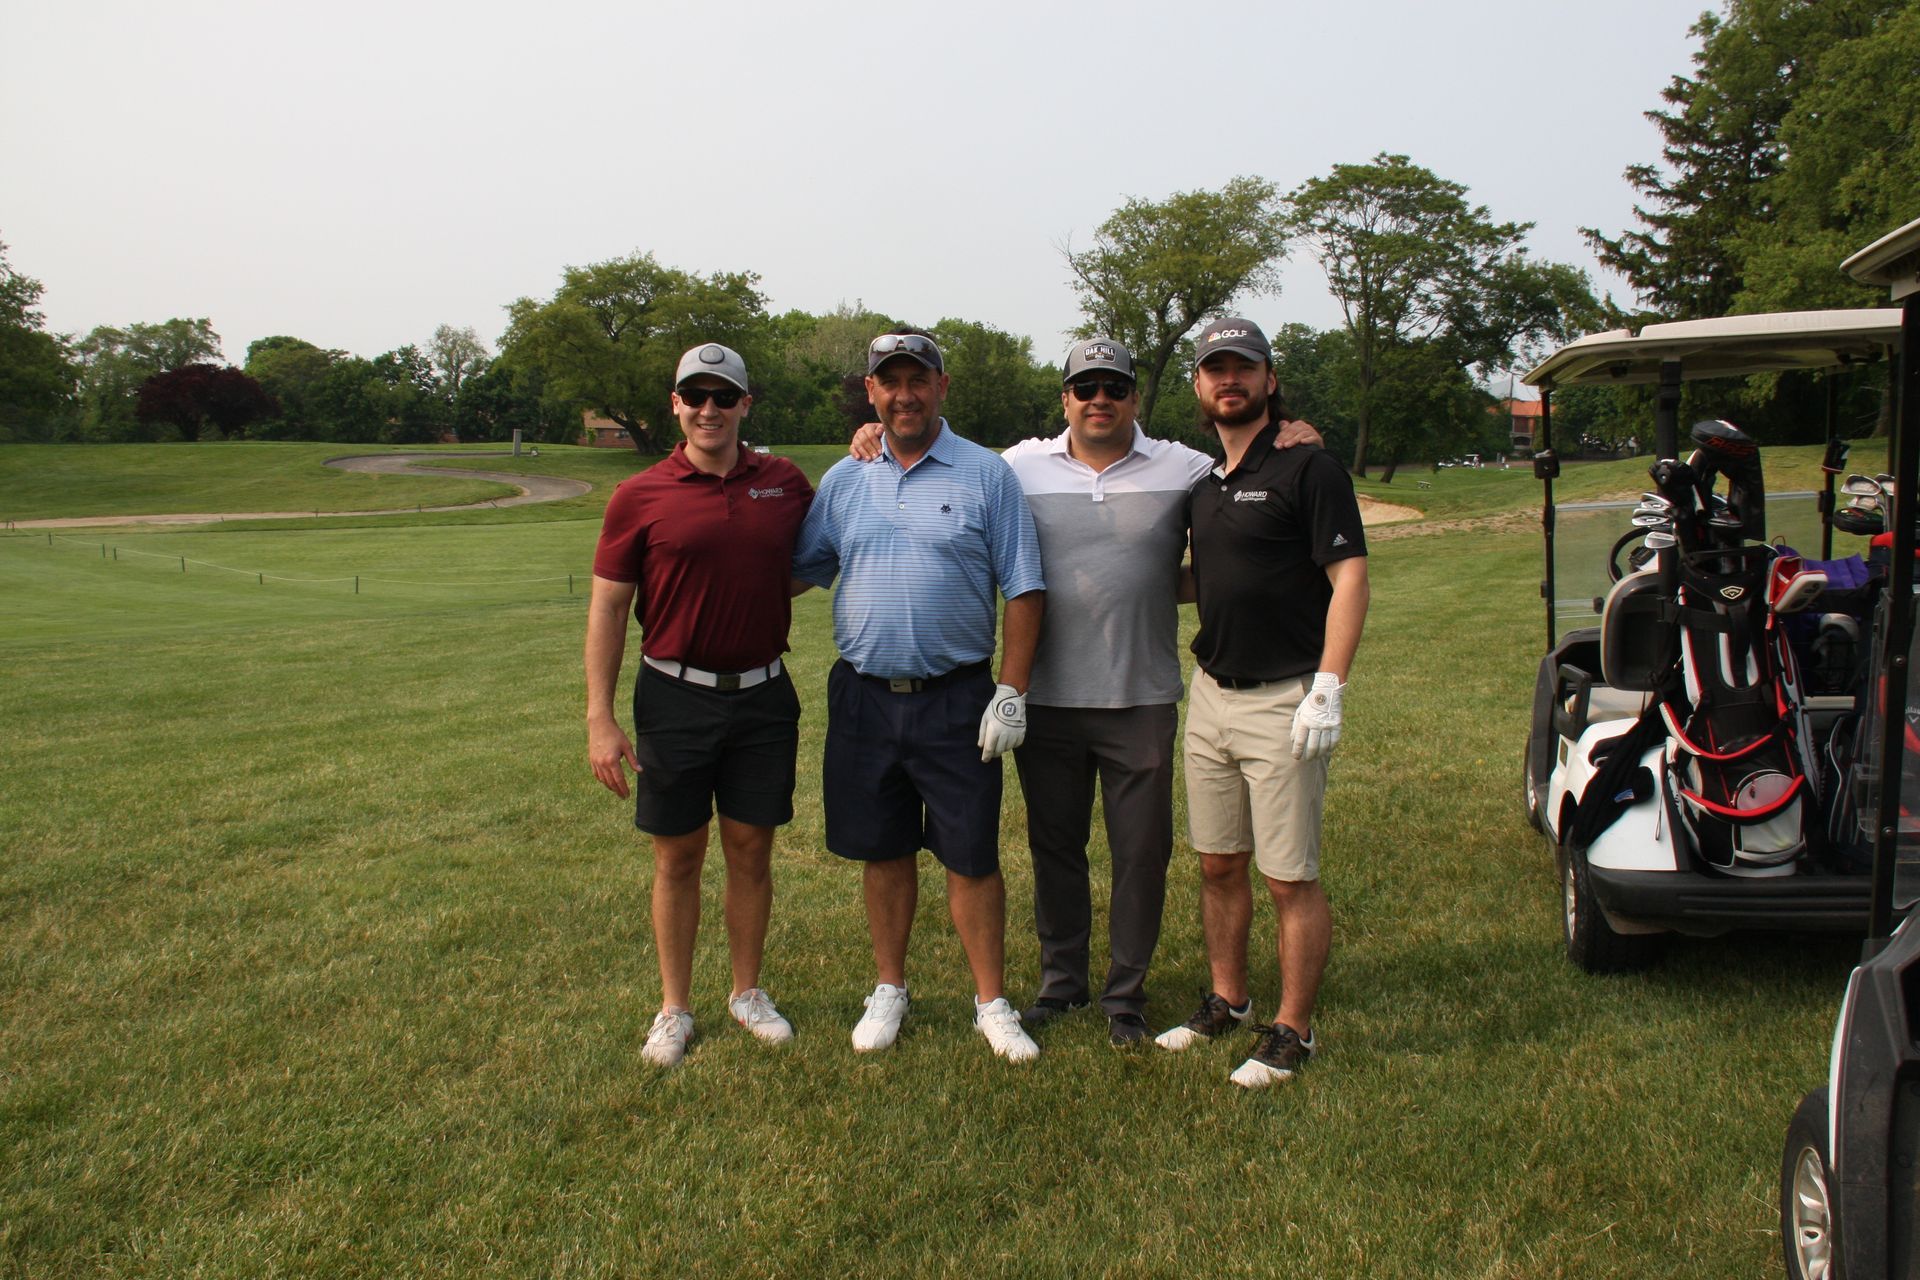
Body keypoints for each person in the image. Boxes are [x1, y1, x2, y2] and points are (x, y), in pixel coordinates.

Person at [847, 338, 1321, 1046]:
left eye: (1114, 388)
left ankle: (1125, 996)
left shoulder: (1185, 468)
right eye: (1086, 388)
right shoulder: (1018, 465)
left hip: (1141, 697)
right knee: (1056, 850)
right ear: (1065, 399)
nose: (1100, 400)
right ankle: (1062, 983)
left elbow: (1253, 475)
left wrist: (1295, 430)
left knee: (1140, 856)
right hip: (1046, 699)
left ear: (1135, 397)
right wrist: (873, 434)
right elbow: (936, 448)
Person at [792, 329, 1047, 1063]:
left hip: (957, 696)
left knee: (971, 855)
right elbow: (803, 569)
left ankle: (991, 1001)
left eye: (918, 380)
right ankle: (890, 988)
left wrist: (1011, 690)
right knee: (884, 847)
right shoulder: (846, 477)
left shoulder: (986, 474)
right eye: (890, 382)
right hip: (864, 696)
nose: (905, 395)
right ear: (871, 392)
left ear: (941, 387)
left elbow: (1024, 586)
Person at [584, 341, 814, 1069]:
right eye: (696, 396)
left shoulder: (784, 483)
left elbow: (815, 554)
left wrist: (868, 439)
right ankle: (674, 1007)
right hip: (673, 696)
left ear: (745, 404)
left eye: (723, 397)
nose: (709, 410)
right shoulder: (639, 494)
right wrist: (599, 717)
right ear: (676, 405)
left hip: (764, 694)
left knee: (751, 850)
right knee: (678, 855)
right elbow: (608, 608)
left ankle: (747, 992)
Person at [1156, 317, 1370, 1090]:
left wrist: (1328, 686)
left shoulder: (1309, 467)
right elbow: (1207, 580)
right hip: (1211, 697)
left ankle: (1294, 1030)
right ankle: (1230, 999)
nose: (1229, 380)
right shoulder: (1203, 486)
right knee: (1219, 863)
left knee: (1289, 877)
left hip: (1285, 698)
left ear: (1269, 380)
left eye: (1243, 367)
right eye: (1215, 369)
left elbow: (1350, 576)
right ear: (1199, 386)